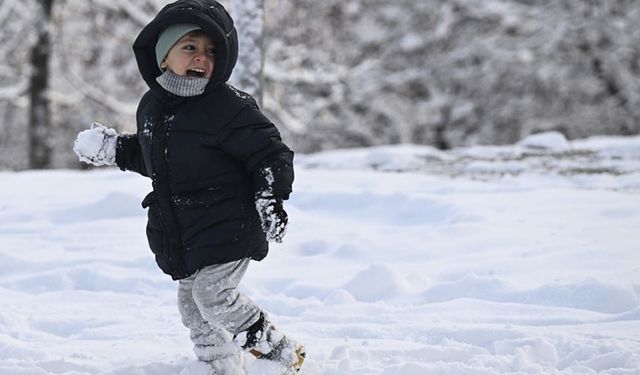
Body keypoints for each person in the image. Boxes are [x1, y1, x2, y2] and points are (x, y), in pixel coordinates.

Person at [72, 0, 304, 373]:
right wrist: (115, 148)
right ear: (164, 56)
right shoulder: (153, 106)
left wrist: (269, 197)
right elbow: (155, 159)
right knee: (191, 304)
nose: (202, 57)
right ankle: (219, 365)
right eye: (190, 47)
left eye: (212, 51)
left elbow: (270, 154)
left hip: (231, 223)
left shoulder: (229, 107)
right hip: (189, 229)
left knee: (213, 295)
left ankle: (282, 357)